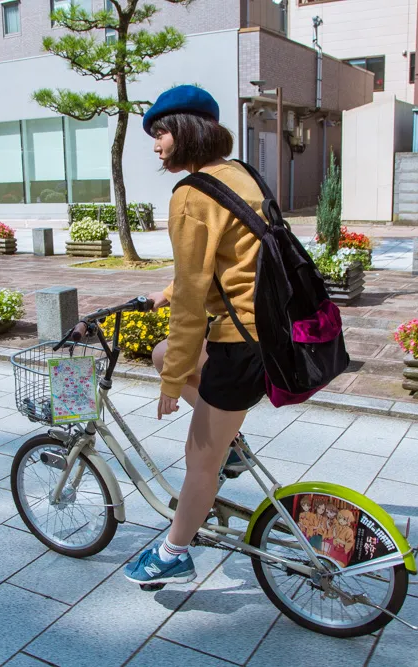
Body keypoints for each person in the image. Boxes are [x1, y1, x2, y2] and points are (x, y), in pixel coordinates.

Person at [124, 85, 268, 586]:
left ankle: (173, 553)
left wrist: (173, 382)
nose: (156, 144)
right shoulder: (240, 174)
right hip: (272, 328)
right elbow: (233, 255)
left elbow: (191, 299)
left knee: (197, 462)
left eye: (161, 132)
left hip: (242, 340)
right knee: (162, 352)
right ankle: (232, 446)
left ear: (185, 131)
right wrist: (166, 292)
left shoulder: (191, 194)